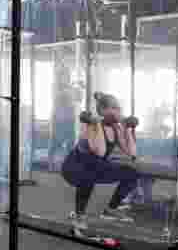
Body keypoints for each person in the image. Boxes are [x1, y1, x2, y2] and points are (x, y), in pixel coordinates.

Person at [60, 92, 152, 225]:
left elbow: (132, 153)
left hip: (96, 166)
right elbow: (101, 152)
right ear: (103, 111)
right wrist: (97, 124)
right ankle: (79, 215)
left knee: (132, 174)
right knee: (88, 176)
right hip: (74, 168)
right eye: (114, 109)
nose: (118, 112)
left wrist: (127, 129)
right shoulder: (92, 126)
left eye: (118, 109)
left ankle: (111, 209)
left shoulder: (116, 128)